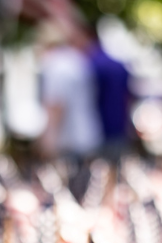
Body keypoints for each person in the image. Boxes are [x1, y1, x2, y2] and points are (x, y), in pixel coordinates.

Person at [35, 19, 103, 159]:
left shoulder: (54, 65)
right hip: (90, 134)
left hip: (69, 141)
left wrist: (48, 142)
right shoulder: (78, 60)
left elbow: (56, 105)